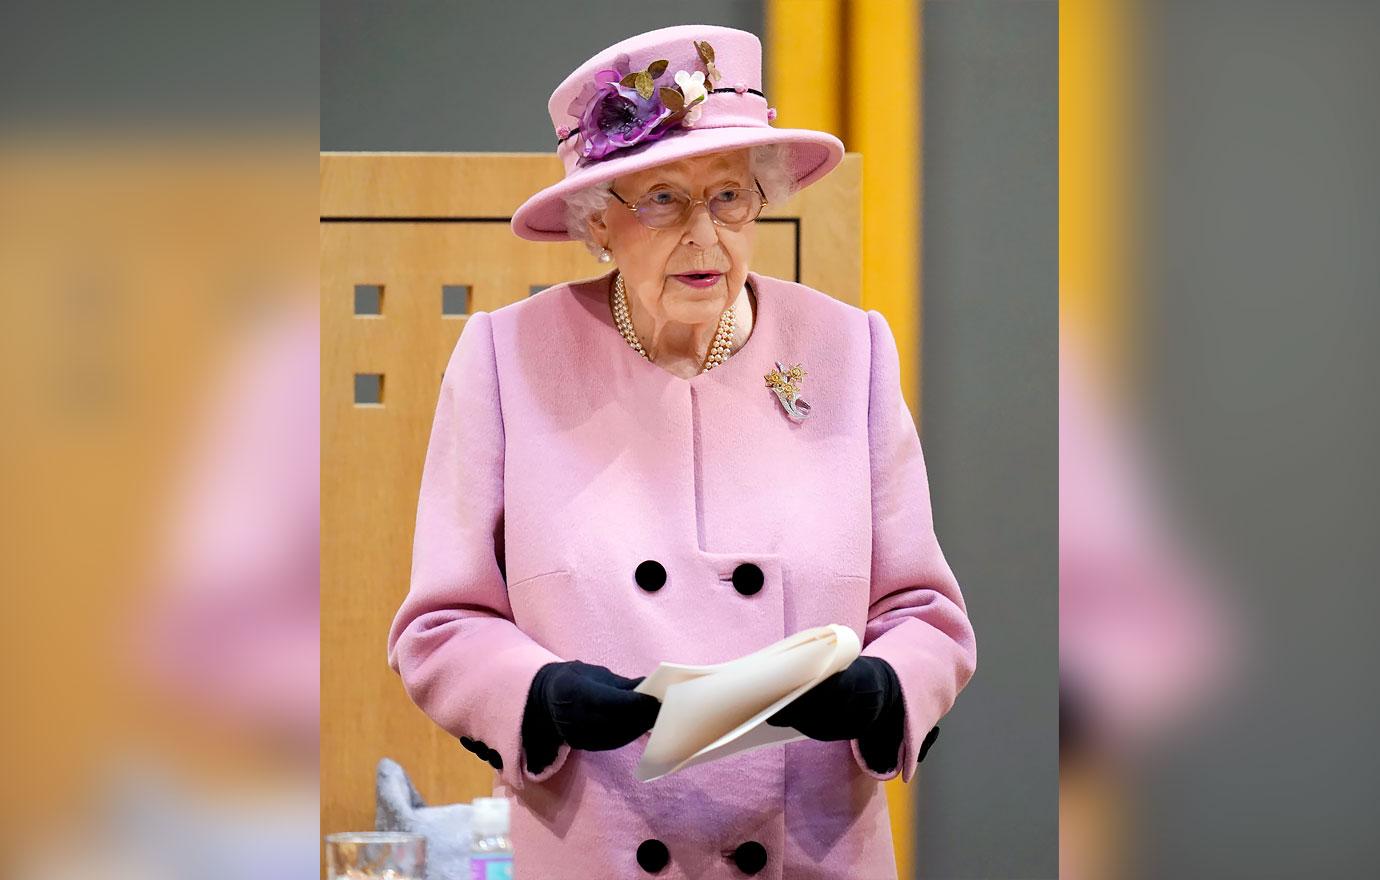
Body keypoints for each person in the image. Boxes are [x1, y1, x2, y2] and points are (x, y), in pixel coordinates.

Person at [387, 24, 976, 879]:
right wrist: (536, 697)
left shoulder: (851, 351)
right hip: (605, 845)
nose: (705, 236)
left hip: (808, 851)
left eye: (729, 196)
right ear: (597, 222)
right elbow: (441, 626)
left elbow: (926, 613)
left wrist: (888, 687)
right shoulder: (506, 360)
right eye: (662, 198)